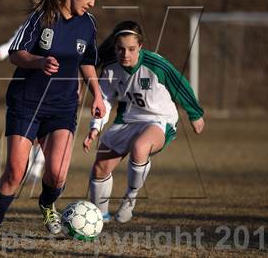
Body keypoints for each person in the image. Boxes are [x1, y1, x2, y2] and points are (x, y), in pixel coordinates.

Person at [0, 0, 105, 236]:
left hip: (62, 106)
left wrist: (97, 94)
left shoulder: (88, 24)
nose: (92, 4)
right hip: (27, 103)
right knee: (16, 171)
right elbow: (16, 53)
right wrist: (39, 61)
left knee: (58, 172)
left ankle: (47, 204)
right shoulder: (42, 17)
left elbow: (86, 61)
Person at [83, 20, 205, 223]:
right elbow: (104, 101)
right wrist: (95, 128)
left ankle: (130, 199)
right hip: (127, 120)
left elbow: (179, 84)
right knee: (99, 168)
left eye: (131, 49)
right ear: (114, 47)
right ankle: (99, 218)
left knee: (140, 148)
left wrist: (195, 114)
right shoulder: (111, 68)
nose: (125, 54)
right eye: (120, 49)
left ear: (140, 46)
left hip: (159, 119)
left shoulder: (156, 64)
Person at [0, 28, 45, 185]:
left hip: (53, 89)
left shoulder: (71, 23)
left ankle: (35, 171)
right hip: (29, 87)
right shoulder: (32, 24)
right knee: (30, 134)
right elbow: (11, 45)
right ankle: (29, 170)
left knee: (44, 135)